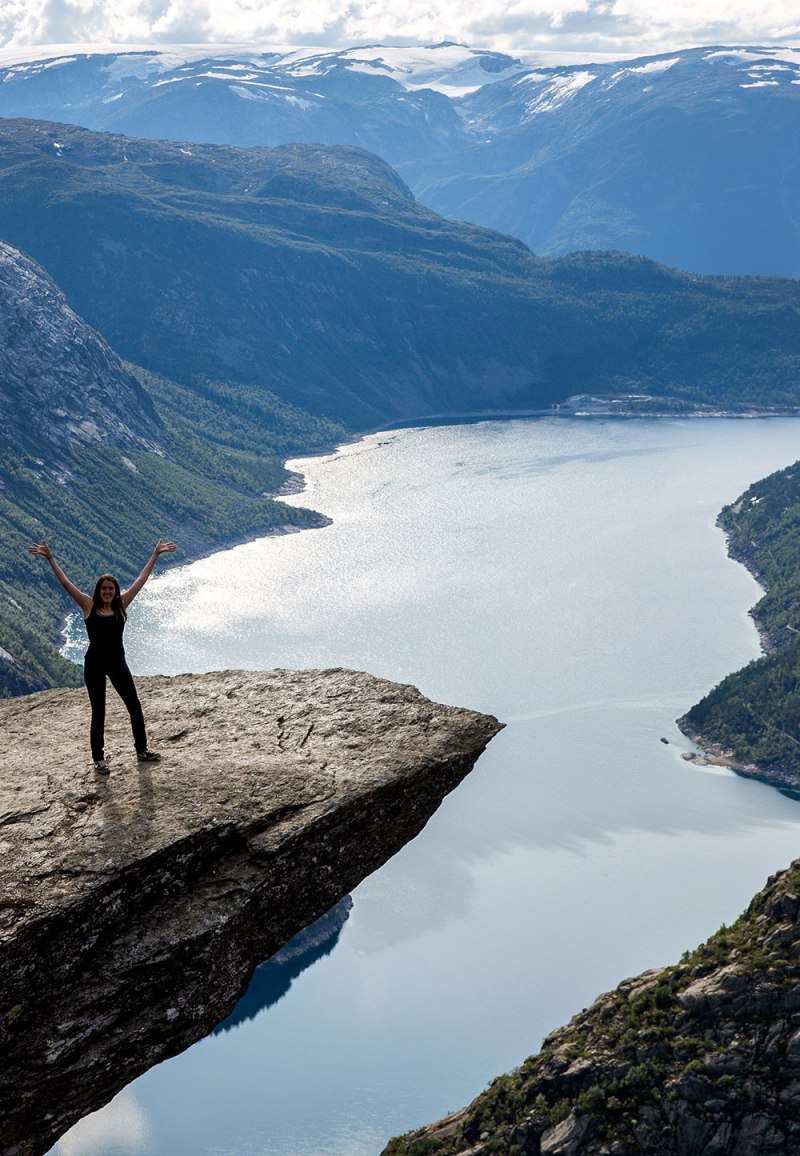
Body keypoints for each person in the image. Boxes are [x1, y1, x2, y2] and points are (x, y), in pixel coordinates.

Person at [28, 538, 177, 774]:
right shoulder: (88, 606)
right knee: (99, 713)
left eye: (111, 589)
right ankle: (99, 759)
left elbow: (141, 580)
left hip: (118, 663)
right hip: (95, 665)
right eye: (104, 589)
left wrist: (156, 554)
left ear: (115, 591)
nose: (107, 592)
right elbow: (66, 584)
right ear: (99, 591)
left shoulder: (121, 604)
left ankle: (142, 750)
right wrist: (50, 558)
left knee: (134, 706)